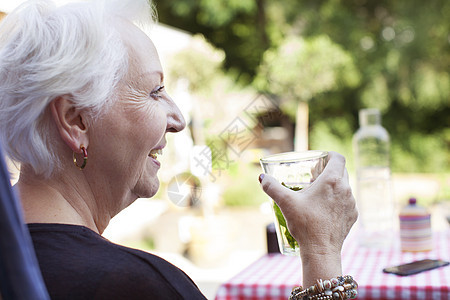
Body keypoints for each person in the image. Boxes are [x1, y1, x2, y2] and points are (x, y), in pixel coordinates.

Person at [0, 0, 358, 299]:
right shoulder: (136, 287)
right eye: (155, 92)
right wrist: (322, 252)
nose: (178, 118)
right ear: (75, 120)